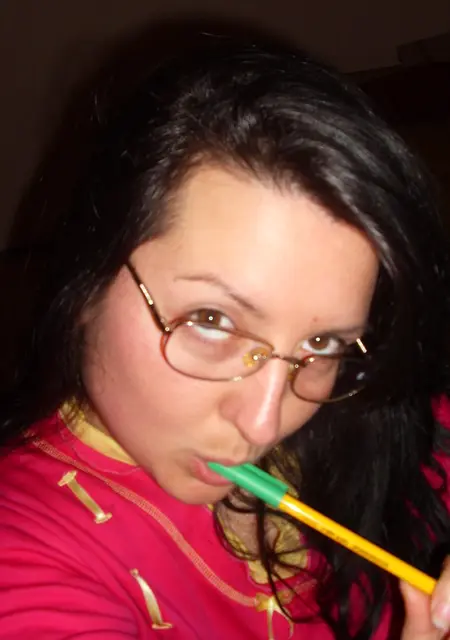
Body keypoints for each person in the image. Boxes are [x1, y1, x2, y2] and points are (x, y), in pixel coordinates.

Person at [0, 28, 450, 640]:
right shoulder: (23, 554)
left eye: (323, 344)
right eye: (212, 321)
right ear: (88, 280)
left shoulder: (366, 415)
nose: (265, 424)